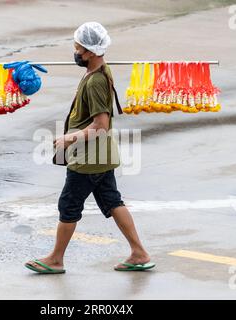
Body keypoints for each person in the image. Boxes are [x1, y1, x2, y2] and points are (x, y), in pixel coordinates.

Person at [25, 22, 155, 274]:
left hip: (89, 159)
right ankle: (139, 253)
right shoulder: (98, 71)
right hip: (101, 156)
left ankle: (55, 259)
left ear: (92, 52)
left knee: (69, 205)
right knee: (112, 202)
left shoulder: (96, 81)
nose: (75, 53)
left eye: (79, 49)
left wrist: (68, 139)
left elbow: (101, 125)